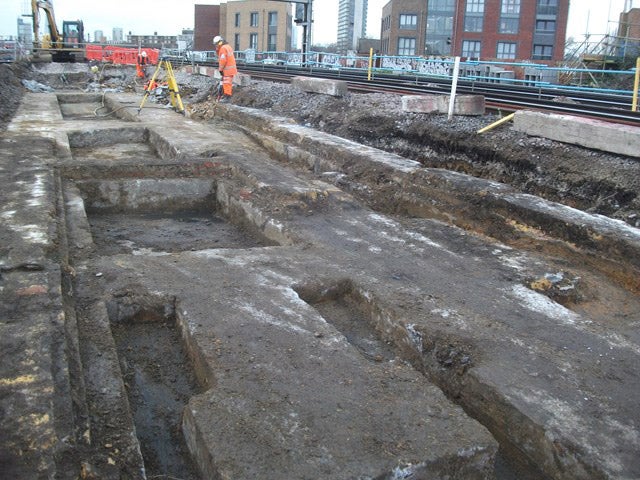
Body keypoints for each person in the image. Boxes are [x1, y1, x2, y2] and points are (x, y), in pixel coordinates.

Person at [213, 35, 237, 102]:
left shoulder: (223, 48)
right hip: (230, 69)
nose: (216, 46)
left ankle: (227, 97)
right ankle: (226, 95)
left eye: (216, 44)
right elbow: (220, 55)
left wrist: (220, 69)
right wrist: (218, 49)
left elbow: (223, 60)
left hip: (227, 70)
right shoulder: (227, 46)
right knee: (226, 83)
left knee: (227, 83)